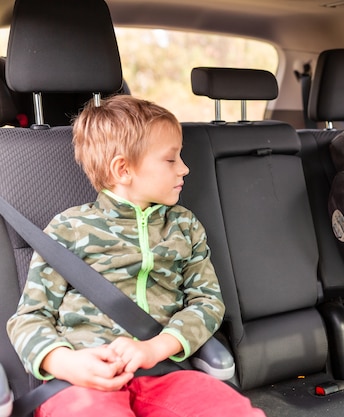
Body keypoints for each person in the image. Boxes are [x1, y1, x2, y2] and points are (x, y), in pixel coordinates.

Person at [6, 95, 265, 417]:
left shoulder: (183, 226)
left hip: (166, 370)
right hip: (83, 382)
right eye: (171, 160)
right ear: (123, 169)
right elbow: (29, 316)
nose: (185, 168)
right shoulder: (68, 228)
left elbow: (207, 302)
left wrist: (156, 348)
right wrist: (66, 362)